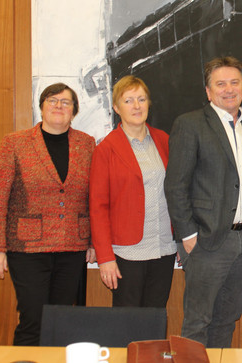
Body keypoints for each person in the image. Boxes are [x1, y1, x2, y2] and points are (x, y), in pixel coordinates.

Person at [0, 83, 96, 346]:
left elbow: (94, 195)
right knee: (33, 320)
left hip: (72, 248)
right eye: (52, 100)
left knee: (62, 321)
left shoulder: (86, 144)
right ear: (42, 107)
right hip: (27, 250)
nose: (59, 106)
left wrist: (93, 241)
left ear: (74, 111)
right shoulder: (15, 143)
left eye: (66, 102)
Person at [164, 56, 242, 347]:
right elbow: (175, 185)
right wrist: (188, 235)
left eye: (235, 83)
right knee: (198, 322)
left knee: (227, 318)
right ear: (208, 92)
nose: (228, 89)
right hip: (206, 241)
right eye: (220, 84)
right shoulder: (190, 124)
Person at [90, 75, 176, 308]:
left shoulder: (164, 141)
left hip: (164, 248)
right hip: (127, 253)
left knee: (156, 319)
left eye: (141, 99)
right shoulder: (106, 149)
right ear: (117, 107)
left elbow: (178, 192)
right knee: (128, 323)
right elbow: (98, 208)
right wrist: (105, 258)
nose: (137, 106)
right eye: (128, 100)